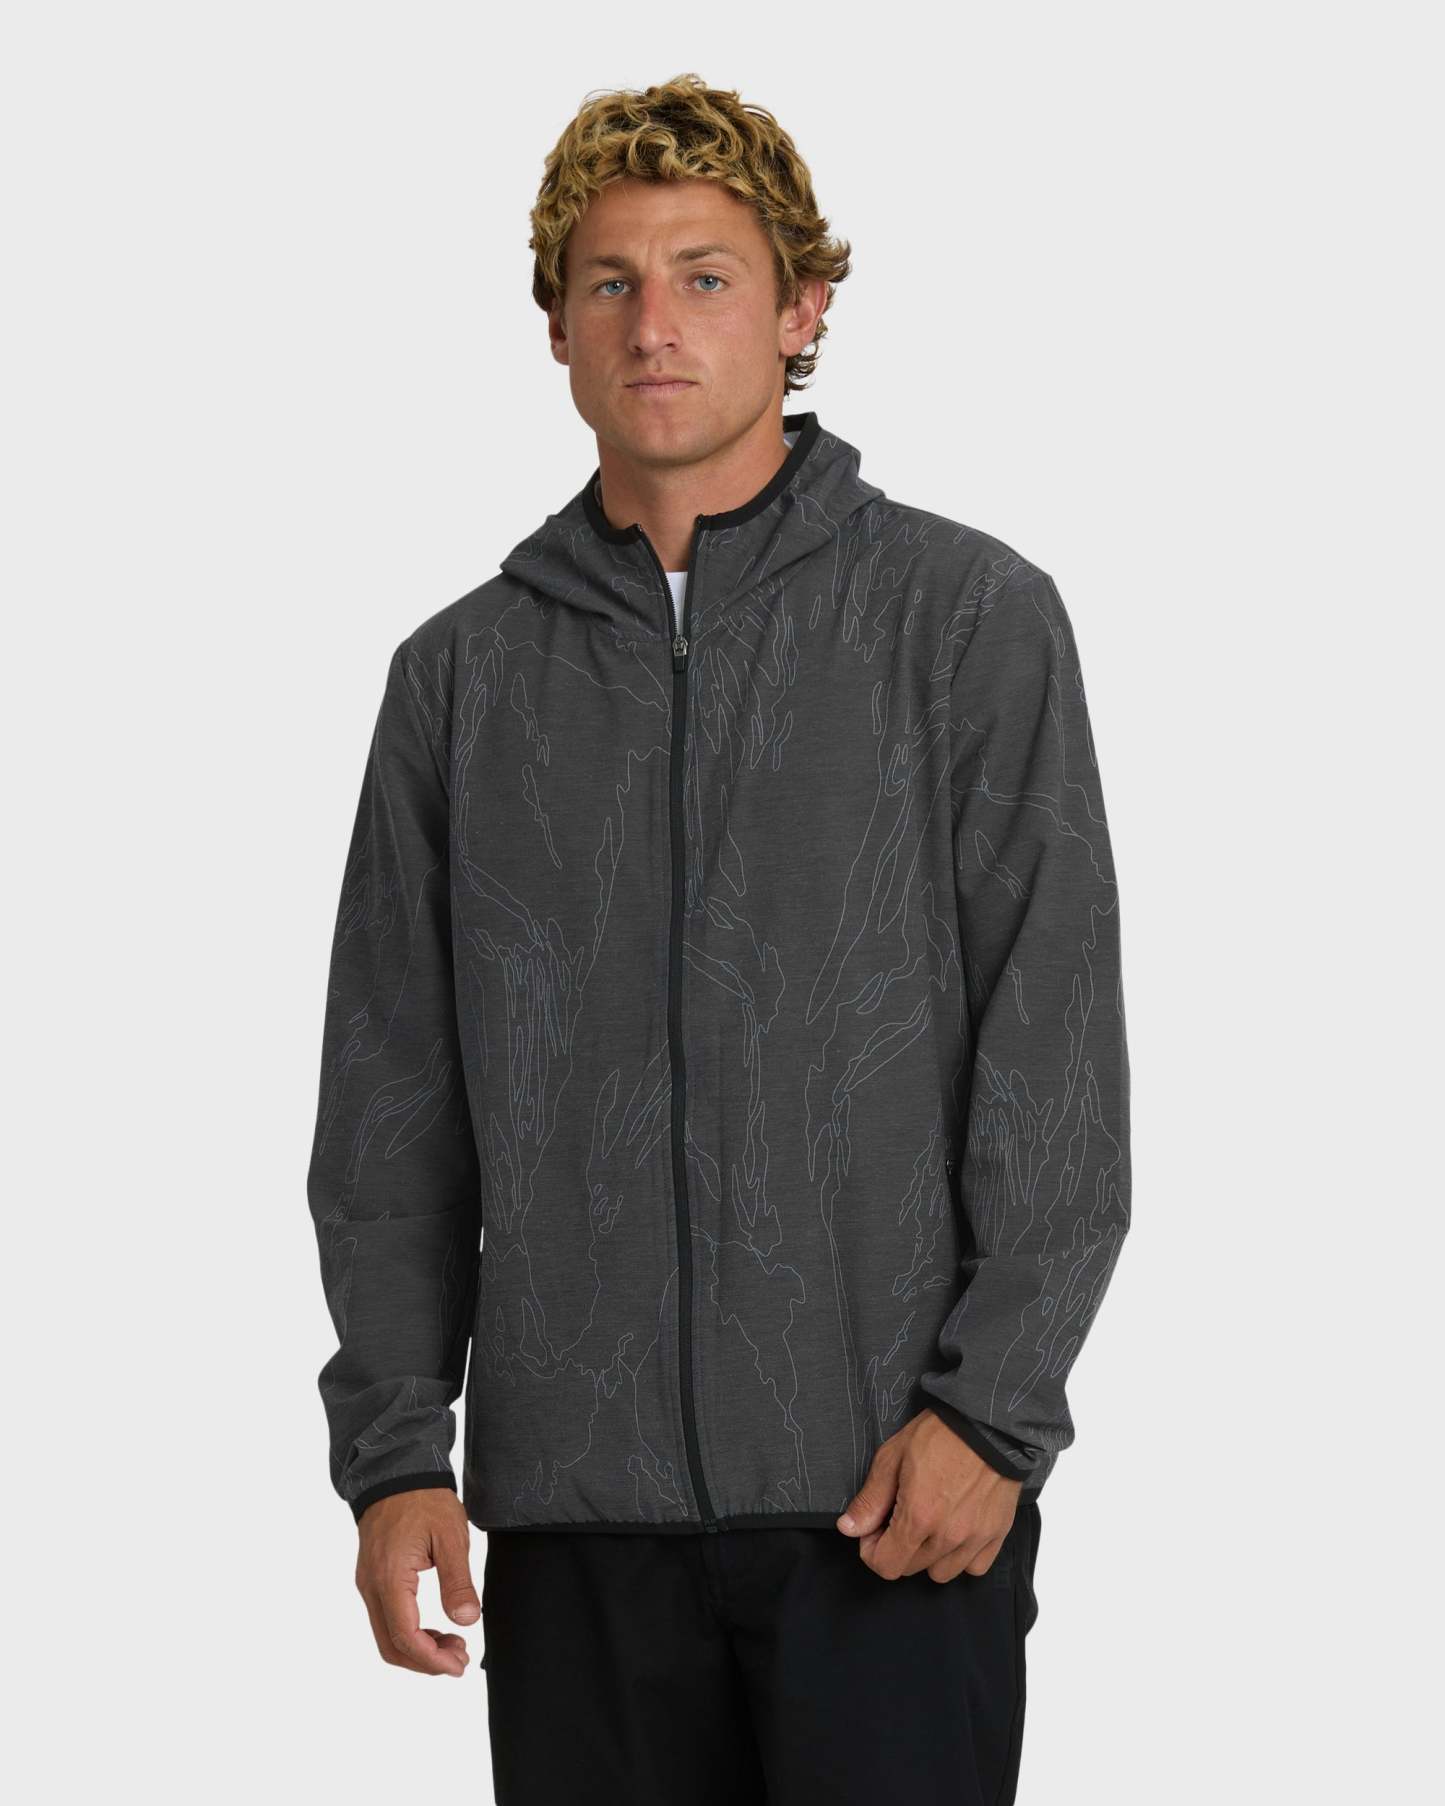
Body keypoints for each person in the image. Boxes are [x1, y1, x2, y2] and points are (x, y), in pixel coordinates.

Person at [305, 70, 1132, 1806]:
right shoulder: (460, 681)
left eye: (704, 275)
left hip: (891, 1501)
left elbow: (1051, 1053)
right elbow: (390, 1108)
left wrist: (991, 1416)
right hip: (576, 1524)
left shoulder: (963, 621)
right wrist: (393, 1454)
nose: (653, 324)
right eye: (608, 281)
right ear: (554, 324)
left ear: (801, 307)